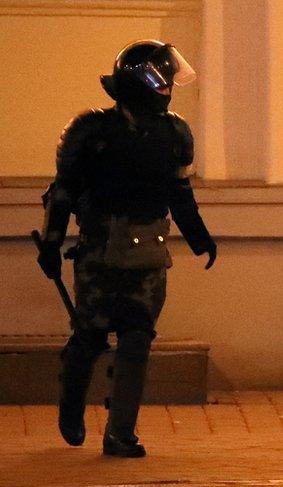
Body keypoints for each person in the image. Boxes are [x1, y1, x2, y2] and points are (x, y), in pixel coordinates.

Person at [36, 40, 216, 458]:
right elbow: (63, 192)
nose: (167, 85)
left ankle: (121, 432)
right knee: (91, 337)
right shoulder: (90, 130)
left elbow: (179, 190)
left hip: (149, 251)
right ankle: (71, 404)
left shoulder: (174, 132)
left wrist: (198, 235)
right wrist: (51, 242)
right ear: (139, 80)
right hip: (99, 252)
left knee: (137, 339)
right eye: (159, 77)